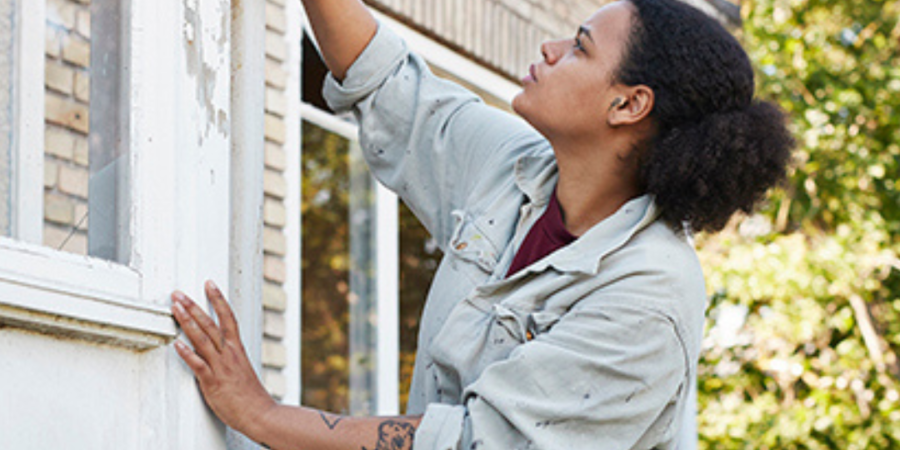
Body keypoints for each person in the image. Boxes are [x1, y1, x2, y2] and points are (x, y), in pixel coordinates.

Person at [169, 0, 794, 448]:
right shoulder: (516, 168)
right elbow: (389, 87)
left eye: (578, 47)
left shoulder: (649, 295)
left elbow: (472, 444)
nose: (549, 51)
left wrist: (262, 416)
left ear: (628, 104)